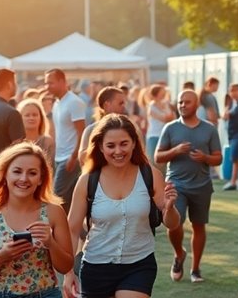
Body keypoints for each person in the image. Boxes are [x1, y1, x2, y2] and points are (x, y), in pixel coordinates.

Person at [63, 114, 180, 298]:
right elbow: (72, 229)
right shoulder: (87, 180)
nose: (118, 151)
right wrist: (68, 272)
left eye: (124, 143)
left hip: (139, 263)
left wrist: (170, 207)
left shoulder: (150, 174)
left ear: (134, 143)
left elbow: (172, 224)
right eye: (111, 145)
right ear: (101, 147)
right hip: (96, 265)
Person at [154, 90, 222, 284]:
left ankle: (195, 269)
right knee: (174, 223)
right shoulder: (170, 128)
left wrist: (205, 158)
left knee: (199, 226)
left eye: (187, 102)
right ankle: (179, 255)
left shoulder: (209, 129)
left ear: (197, 104)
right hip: (176, 185)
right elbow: (158, 157)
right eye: (180, 102)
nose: (182, 105)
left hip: (201, 185)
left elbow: (219, 157)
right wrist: (175, 151)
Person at [0, 142, 73, 298]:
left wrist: (51, 243)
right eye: (17, 171)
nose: (24, 179)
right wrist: (3, 255)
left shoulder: (54, 211)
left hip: (46, 294)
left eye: (32, 173)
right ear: (5, 175)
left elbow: (65, 267)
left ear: (41, 179)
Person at [45, 69, 88, 213]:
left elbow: (82, 132)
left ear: (62, 82)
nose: (47, 86)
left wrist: (74, 156)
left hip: (69, 158)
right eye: (46, 83)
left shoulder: (74, 102)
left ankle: (57, 232)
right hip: (60, 157)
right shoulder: (57, 102)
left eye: (50, 83)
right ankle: (74, 233)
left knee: (55, 199)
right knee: (66, 202)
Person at [77, 87, 130, 167]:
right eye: (120, 103)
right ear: (106, 105)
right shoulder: (91, 130)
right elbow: (82, 159)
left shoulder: (130, 128)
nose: (124, 106)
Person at [0, 68, 24, 160]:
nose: (16, 86)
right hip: (2, 167)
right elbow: (18, 149)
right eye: (15, 83)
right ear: (9, 85)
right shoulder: (12, 113)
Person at [18, 98, 55, 164]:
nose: (31, 118)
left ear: (41, 117)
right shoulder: (15, 141)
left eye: (35, 115)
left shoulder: (47, 141)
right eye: (27, 115)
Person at [146, 85, 175, 166]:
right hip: (153, 136)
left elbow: (171, 118)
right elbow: (165, 118)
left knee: (165, 162)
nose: (164, 93)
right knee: (154, 162)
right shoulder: (151, 106)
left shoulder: (165, 104)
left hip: (164, 136)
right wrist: (166, 107)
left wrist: (166, 106)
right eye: (162, 92)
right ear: (156, 93)